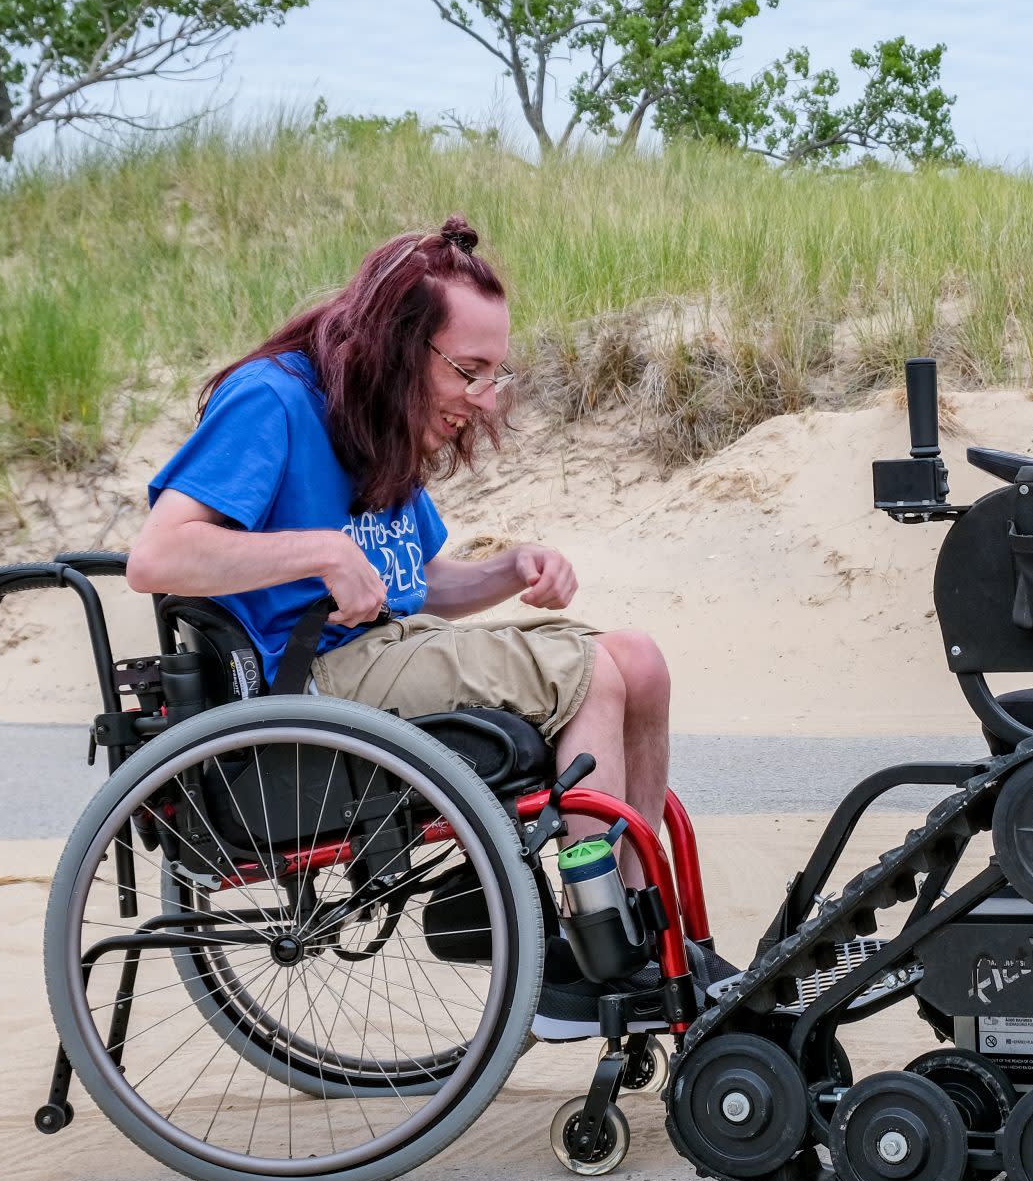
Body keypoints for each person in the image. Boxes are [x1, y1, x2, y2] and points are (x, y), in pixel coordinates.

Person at [125, 216, 725, 1031]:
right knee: (592, 670)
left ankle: (637, 916)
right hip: (314, 678)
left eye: (493, 373)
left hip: (393, 651)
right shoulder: (273, 399)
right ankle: (594, 957)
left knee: (641, 661)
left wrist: (508, 568)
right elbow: (157, 557)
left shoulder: (372, 412)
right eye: (467, 370)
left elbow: (419, 583)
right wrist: (318, 553)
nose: (480, 397)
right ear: (402, 343)